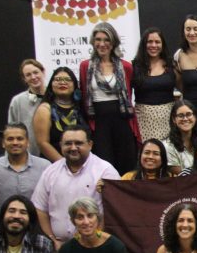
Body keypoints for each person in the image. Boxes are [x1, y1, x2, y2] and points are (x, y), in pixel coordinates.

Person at [32, 125, 120, 250]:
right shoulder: (50, 171)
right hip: (57, 248)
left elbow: (114, 211)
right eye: (68, 143)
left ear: (90, 144)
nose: (73, 148)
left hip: (95, 247)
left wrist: (95, 239)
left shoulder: (106, 171)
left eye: (78, 143)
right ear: (61, 145)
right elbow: (40, 209)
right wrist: (51, 240)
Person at [78, 21, 139, 174]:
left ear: (113, 43)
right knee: (103, 166)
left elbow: (130, 94)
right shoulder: (86, 66)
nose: (102, 44)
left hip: (122, 120)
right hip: (98, 122)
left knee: (127, 164)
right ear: (93, 42)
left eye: (106, 40)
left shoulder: (125, 66)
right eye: (98, 39)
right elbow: (85, 95)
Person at [0, 123, 51, 227]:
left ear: (27, 142)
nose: (15, 142)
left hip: (36, 227)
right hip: (1, 227)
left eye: (20, 139)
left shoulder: (45, 166)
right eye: (10, 139)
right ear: (3, 143)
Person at [131, 27, 177, 142]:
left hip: (168, 117)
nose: (153, 45)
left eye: (157, 42)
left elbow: (182, 88)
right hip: (144, 119)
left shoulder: (171, 64)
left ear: (163, 44)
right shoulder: (135, 66)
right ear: (144, 44)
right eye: (150, 42)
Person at [32, 66, 87, 162]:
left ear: (75, 85)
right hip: (55, 165)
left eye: (67, 79)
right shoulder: (45, 109)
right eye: (57, 79)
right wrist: (64, 165)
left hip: (83, 164)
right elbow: (42, 143)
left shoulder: (82, 107)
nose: (62, 82)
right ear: (51, 85)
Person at [6, 58, 46, 155]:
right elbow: (11, 130)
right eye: (28, 75)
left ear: (43, 72)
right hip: (30, 154)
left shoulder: (55, 96)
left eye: (36, 72)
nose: (33, 77)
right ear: (24, 79)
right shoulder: (18, 101)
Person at [164, 99, 197, 175]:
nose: (185, 119)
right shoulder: (168, 146)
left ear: (195, 117)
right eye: (181, 116)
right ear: (174, 119)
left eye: (189, 114)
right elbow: (183, 176)